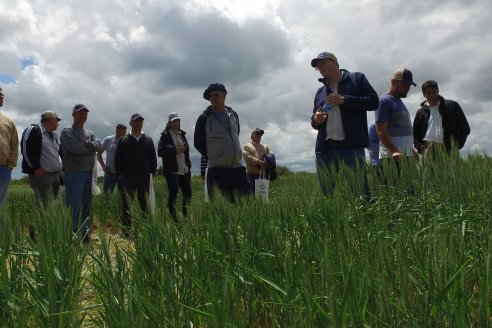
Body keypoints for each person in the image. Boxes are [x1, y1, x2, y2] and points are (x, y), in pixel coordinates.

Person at [310, 52, 379, 198]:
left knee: (360, 192)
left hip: (351, 147)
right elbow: (314, 122)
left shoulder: (357, 79)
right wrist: (317, 120)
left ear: (334, 61)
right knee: (327, 195)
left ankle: (366, 220)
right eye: (317, 66)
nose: (319, 67)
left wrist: (344, 100)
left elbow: (373, 101)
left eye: (322, 63)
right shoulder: (320, 92)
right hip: (326, 149)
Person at [194, 83, 250, 202]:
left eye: (216, 95)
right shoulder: (204, 118)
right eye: (210, 96)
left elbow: (236, 135)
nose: (213, 98)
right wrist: (215, 154)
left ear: (224, 95)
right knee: (220, 209)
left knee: (247, 203)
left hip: (237, 168)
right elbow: (198, 143)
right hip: (217, 170)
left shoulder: (234, 114)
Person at [60, 104, 103, 244]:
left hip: (89, 174)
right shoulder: (67, 131)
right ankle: (72, 236)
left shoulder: (90, 133)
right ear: (73, 115)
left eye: (85, 113)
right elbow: (74, 148)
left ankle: (84, 235)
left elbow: (100, 146)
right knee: (74, 206)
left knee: (86, 206)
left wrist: (86, 144)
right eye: (80, 113)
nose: (83, 115)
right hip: (74, 173)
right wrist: (91, 149)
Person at [115, 113, 157, 233]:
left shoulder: (148, 139)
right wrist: (119, 174)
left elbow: (152, 157)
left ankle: (145, 228)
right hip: (128, 177)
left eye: (140, 121)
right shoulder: (124, 140)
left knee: (144, 204)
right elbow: (118, 158)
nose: (138, 123)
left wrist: (152, 172)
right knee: (127, 204)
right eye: (136, 121)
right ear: (131, 123)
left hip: (144, 176)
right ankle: (127, 231)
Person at [375, 68, 419, 167]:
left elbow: (402, 130)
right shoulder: (385, 101)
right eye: (405, 84)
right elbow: (380, 129)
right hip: (392, 158)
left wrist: (412, 151)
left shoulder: (398, 101)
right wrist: (394, 151)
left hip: (406, 156)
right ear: (394, 82)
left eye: (409, 85)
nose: (408, 88)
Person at [413, 80, 471, 155]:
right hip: (428, 150)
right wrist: (422, 149)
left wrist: (457, 146)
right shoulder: (420, 113)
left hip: (449, 150)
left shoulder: (452, 106)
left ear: (438, 91)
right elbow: (415, 135)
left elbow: (465, 128)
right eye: (429, 93)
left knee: (452, 167)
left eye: (434, 91)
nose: (432, 94)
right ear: (424, 94)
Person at [21, 111, 63, 207]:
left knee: (56, 204)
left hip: (56, 175)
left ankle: (51, 222)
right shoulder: (33, 130)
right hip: (42, 175)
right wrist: (36, 167)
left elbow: (57, 154)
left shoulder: (54, 136)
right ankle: (40, 222)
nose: (58, 123)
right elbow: (26, 150)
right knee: (42, 204)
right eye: (57, 120)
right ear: (50, 120)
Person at [157, 112, 192, 222]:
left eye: (178, 121)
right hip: (172, 171)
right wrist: (175, 149)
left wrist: (188, 165)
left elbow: (187, 151)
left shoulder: (182, 134)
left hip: (184, 169)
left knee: (188, 193)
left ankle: (186, 217)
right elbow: (160, 151)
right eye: (174, 121)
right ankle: (174, 220)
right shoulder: (165, 136)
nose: (176, 123)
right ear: (169, 123)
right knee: (173, 195)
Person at [0, 87, 19, 211]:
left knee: (0, 203)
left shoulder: (8, 121)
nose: (2, 96)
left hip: (4, 169)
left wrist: (11, 164)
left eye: (2, 94)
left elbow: (14, 144)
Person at [97, 123, 127, 195]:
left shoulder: (127, 141)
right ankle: (106, 207)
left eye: (124, 133)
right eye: (121, 132)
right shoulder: (108, 139)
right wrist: (103, 166)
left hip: (123, 174)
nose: (123, 134)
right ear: (116, 131)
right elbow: (99, 154)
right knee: (106, 197)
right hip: (110, 173)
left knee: (123, 197)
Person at [242, 128, 272, 193]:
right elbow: (247, 157)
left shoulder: (265, 146)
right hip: (251, 175)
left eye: (261, 134)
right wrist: (260, 162)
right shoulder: (246, 146)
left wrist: (267, 163)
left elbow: (271, 156)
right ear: (252, 135)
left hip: (263, 175)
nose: (259, 135)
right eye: (257, 133)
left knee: (263, 198)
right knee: (252, 196)